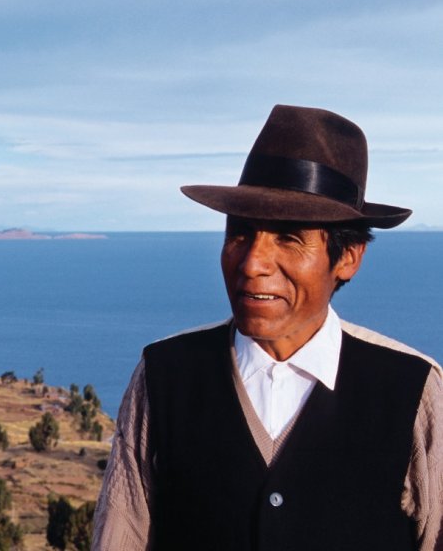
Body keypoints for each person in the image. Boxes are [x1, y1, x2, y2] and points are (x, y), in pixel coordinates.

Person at [92, 105, 443, 550]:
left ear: (348, 257)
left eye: (289, 238)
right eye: (240, 233)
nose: (252, 262)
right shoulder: (164, 376)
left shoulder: (412, 389)